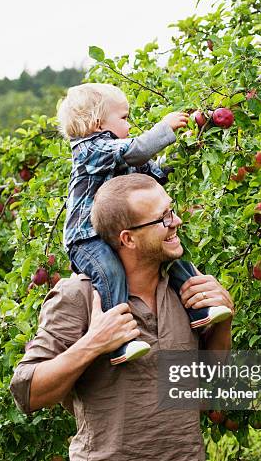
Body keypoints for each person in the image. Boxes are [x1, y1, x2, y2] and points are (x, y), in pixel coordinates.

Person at [10, 175, 236, 461]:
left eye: (172, 210)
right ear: (128, 239)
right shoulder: (80, 296)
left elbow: (209, 397)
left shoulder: (185, 289)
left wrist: (222, 323)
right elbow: (27, 390)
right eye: (163, 218)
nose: (176, 222)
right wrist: (93, 343)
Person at [57, 83, 232, 365]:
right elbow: (136, 151)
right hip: (88, 237)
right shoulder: (92, 149)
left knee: (172, 255)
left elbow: (156, 171)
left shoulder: (123, 156)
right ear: (96, 122)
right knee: (111, 273)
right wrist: (165, 128)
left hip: (122, 232)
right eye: (124, 118)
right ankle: (120, 340)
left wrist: (191, 143)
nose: (130, 124)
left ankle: (200, 311)